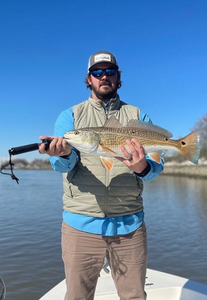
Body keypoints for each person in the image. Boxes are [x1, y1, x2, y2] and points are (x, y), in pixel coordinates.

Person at [39, 50, 164, 300]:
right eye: (97, 72)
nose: (103, 76)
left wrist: (143, 168)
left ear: (118, 77)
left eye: (110, 71)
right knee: (77, 297)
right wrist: (63, 154)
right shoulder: (70, 116)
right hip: (80, 225)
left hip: (130, 225)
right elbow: (61, 166)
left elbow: (155, 169)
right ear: (89, 79)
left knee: (134, 297)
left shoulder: (139, 116)